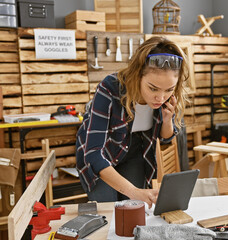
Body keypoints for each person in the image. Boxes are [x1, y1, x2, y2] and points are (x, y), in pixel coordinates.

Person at [76, 36, 189, 208]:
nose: (160, 97)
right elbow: (93, 154)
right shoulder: (109, 88)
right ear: (137, 75)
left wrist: (167, 120)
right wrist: (135, 191)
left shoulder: (166, 97)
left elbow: (165, 138)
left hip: (134, 152)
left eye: (169, 90)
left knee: (133, 208)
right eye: (153, 88)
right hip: (101, 153)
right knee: (108, 208)